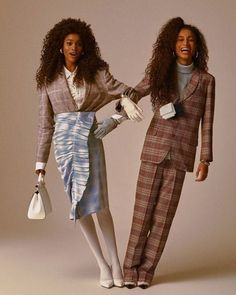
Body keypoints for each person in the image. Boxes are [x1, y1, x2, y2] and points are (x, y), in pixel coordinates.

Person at [34, 18, 142, 289]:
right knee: (79, 206)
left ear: (85, 48)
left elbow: (126, 91)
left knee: (100, 204)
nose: (74, 47)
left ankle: (116, 262)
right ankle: (102, 265)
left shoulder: (97, 71)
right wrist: (40, 164)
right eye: (69, 43)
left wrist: (122, 107)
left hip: (91, 139)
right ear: (60, 46)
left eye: (79, 44)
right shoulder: (48, 79)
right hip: (63, 145)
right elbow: (45, 124)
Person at [120, 17, 215, 288]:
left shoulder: (207, 80)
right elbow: (133, 93)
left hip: (182, 155)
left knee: (163, 219)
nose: (185, 43)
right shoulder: (160, 73)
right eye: (180, 39)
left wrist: (205, 159)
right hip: (154, 150)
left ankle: (146, 272)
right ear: (172, 45)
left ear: (197, 47)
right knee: (142, 213)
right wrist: (121, 108)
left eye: (191, 40)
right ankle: (130, 268)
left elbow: (207, 121)